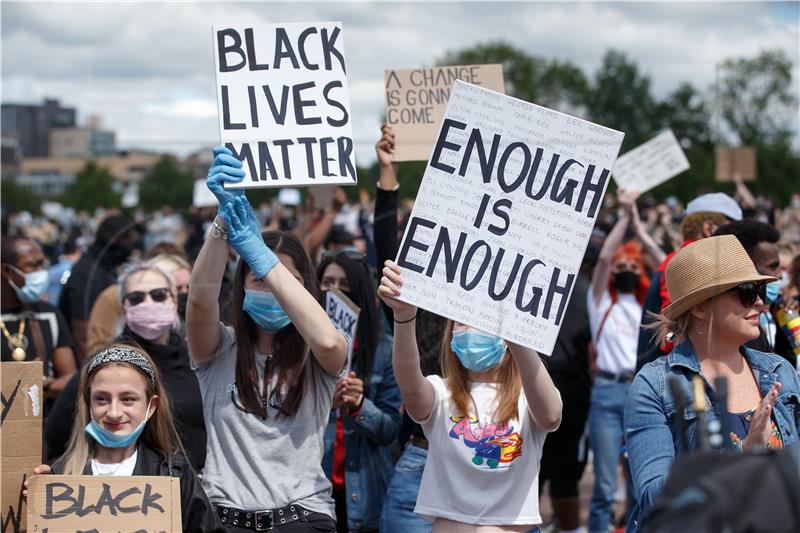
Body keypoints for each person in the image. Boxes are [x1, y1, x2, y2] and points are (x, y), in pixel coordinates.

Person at [187, 146, 347, 532]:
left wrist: (262, 258)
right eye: (258, 278)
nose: (274, 290)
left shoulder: (322, 347)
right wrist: (222, 224)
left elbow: (328, 345)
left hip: (303, 518)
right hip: (225, 518)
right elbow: (199, 299)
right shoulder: (218, 348)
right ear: (241, 288)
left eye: (288, 283)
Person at [624, 235, 800, 532]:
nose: (758, 301)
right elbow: (655, 497)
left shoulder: (780, 371)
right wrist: (742, 458)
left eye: (759, 289)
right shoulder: (655, 385)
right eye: (745, 291)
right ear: (700, 308)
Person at [378, 260, 562, 532]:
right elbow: (409, 380)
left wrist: (518, 332)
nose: (472, 327)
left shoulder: (528, 397)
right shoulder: (441, 393)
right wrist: (404, 317)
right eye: (463, 320)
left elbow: (551, 415)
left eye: (485, 319)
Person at [26, 344, 221, 531]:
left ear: (151, 406)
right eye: (101, 399)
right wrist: (35, 502)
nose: (114, 412)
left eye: (128, 399)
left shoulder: (174, 474)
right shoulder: (59, 478)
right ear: (88, 403)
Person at [45, 261, 207, 471]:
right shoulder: (103, 367)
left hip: (193, 490)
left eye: (158, 295)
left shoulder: (197, 361)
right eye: (136, 298)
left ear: (174, 300)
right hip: (128, 494)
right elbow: (57, 436)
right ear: (124, 308)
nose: (148, 303)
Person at [587, 190, 662, 533]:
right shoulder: (601, 302)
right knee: (604, 484)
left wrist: (638, 224)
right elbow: (603, 259)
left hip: (640, 392)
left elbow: (668, 262)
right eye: (623, 266)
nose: (627, 270)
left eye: (634, 265)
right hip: (606, 393)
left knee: (639, 481)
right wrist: (622, 218)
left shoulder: (651, 307)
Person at [318, 251, 402, 533]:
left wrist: (359, 406)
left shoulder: (384, 350)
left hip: (364, 492)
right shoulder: (300, 347)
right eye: (327, 282)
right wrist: (323, 404)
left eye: (344, 284)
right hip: (313, 492)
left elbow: (390, 429)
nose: (334, 291)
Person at [636, 192, 742, 371]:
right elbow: (670, 337)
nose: (739, 239)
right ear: (709, 228)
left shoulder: (678, 260)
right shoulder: (688, 264)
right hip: (677, 384)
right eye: (734, 230)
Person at [1, 235, 76, 408]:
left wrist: (45, 385)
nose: (41, 272)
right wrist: (16, 382)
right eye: (32, 265)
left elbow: (70, 376)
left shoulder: (48, 314)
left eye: (42, 264)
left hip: (42, 423)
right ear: (7, 271)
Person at [59, 214, 140, 361]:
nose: (133, 242)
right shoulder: (89, 273)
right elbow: (82, 333)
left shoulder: (107, 267)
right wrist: (88, 374)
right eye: (129, 237)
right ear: (114, 238)